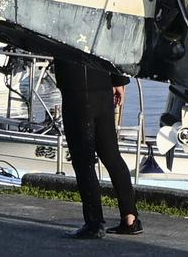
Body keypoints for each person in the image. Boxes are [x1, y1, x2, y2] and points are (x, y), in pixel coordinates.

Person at [53, 57, 141, 239]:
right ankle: (130, 218)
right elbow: (113, 44)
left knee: (83, 159)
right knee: (111, 156)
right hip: (102, 84)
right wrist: (118, 80)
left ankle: (94, 223)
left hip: (76, 88)